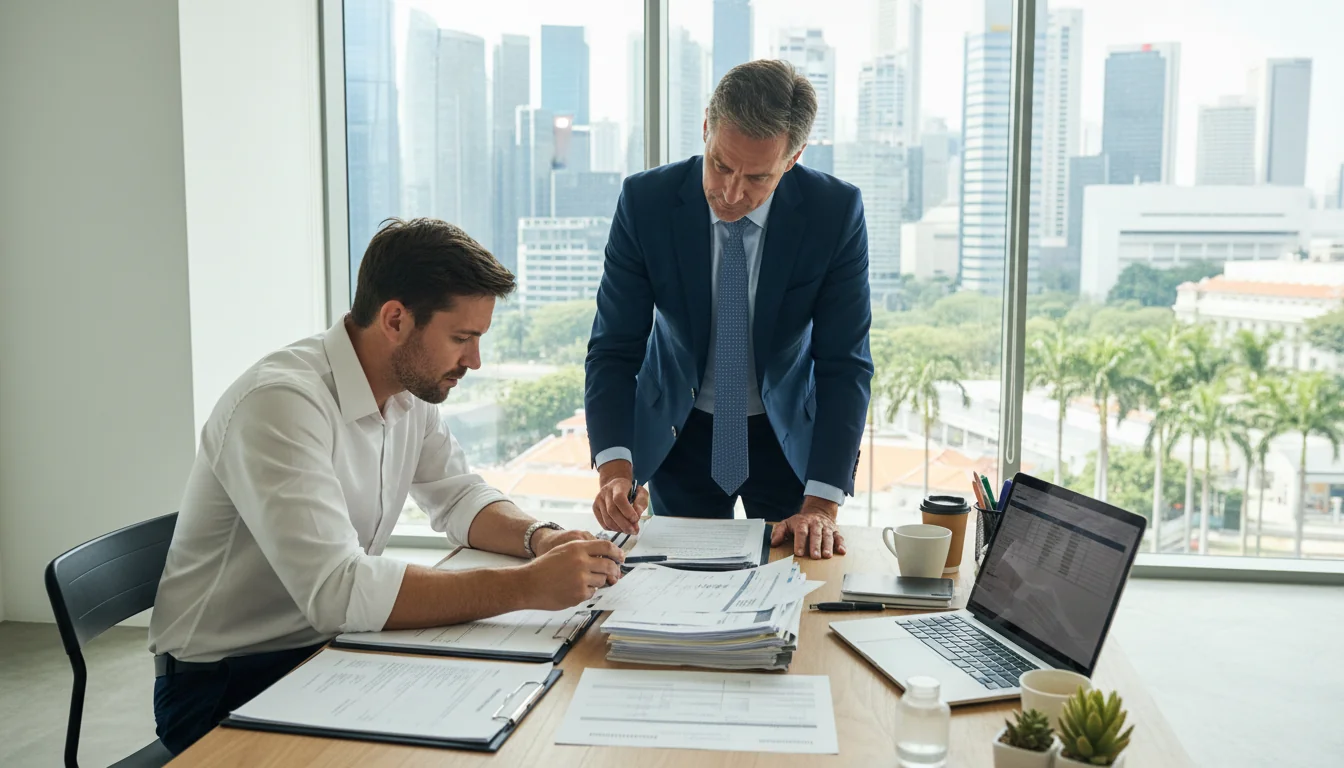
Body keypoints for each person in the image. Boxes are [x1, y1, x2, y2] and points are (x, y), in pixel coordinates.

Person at [147, 218, 623, 755]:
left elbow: (459, 496)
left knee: (510, 719)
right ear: (395, 318)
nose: (475, 361)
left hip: (332, 650)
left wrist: (541, 537)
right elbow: (339, 591)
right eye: (462, 338)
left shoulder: (407, 390)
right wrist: (528, 588)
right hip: (225, 681)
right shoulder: (280, 403)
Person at [585, 60, 873, 560]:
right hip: (682, 431)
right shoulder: (645, 201)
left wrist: (822, 505)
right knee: (679, 591)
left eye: (758, 176)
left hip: (786, 439)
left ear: (793, 157)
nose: (732, 192)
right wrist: (615, 470)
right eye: (720, 164)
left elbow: (844, 364)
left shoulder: (835, 212)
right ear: (705, 128)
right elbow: (614, 348)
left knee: (794, 583)